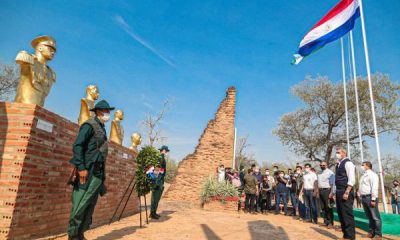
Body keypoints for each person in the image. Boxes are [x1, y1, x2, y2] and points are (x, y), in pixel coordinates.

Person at [67, 100, 114, 240]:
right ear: (99, 111)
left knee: (89, 204)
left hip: (98, 172)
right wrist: (81, 167)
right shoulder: (89, 125)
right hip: (87, 171)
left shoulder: (102, 128)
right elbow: (78, 146)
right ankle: (73, 234)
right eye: (106, 111)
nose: (108, 114)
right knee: (80, 204)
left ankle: (80, 233)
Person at [335, 147, 356, 240]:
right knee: (341, 213)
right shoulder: (338, 164)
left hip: (345, 190)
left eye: (338, 152)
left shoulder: (348, 163)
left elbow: (352, 179)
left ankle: (350, 236)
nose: (337, 154)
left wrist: (347, 191)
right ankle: (345, 235)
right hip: (339, 191)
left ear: (344, 153)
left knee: (347, 214)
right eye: (336, 152)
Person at [358, 161, 382, 239]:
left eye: (362, 165)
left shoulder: (373, 175)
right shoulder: (363, 175)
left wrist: (373, 199)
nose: (361, 166)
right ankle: (371, 232)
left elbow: (374, 187)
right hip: (364, 197)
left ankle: (378, 234)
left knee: (375, 217)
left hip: (370, 197)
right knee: (369, 216)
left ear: (368, 166)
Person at [150, 145, 169, 219]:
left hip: (160, 180)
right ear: (163, 150)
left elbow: (161, 170)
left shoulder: (162, 157)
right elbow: (157, 170)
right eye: (166, 151)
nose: (167, 152)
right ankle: (152, 213)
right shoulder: (160, 157)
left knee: (157, 198)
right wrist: (156, 181)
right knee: (155, 198)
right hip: (158, 181)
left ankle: (154, 212)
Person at [317, 161, 335, 228]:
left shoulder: (330, 173)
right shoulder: (319, 173)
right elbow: (318, 183)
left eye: (323, 165)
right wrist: (318, 191)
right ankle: (325, 221)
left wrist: (332, 192)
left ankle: (330, 223)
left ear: (326, 165)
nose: (322, 166)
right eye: (321, 165)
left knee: (328, 207)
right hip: (321, 190)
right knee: (323, 207)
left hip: (327, 191)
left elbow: (332, 184)